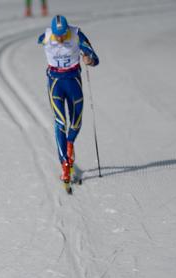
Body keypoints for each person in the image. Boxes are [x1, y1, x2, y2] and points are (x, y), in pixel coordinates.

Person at [38, 15, 99, 184]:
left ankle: (70, 144)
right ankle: (65, 163)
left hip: (73, 81)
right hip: (55, 83)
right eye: (57, 35)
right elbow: (40, 39)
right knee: (60, 122)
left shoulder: (77, 35)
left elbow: (94, 58)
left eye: (63, 34)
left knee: (76, 122)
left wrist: (89, 59)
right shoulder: (46, 37)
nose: (60, 38)